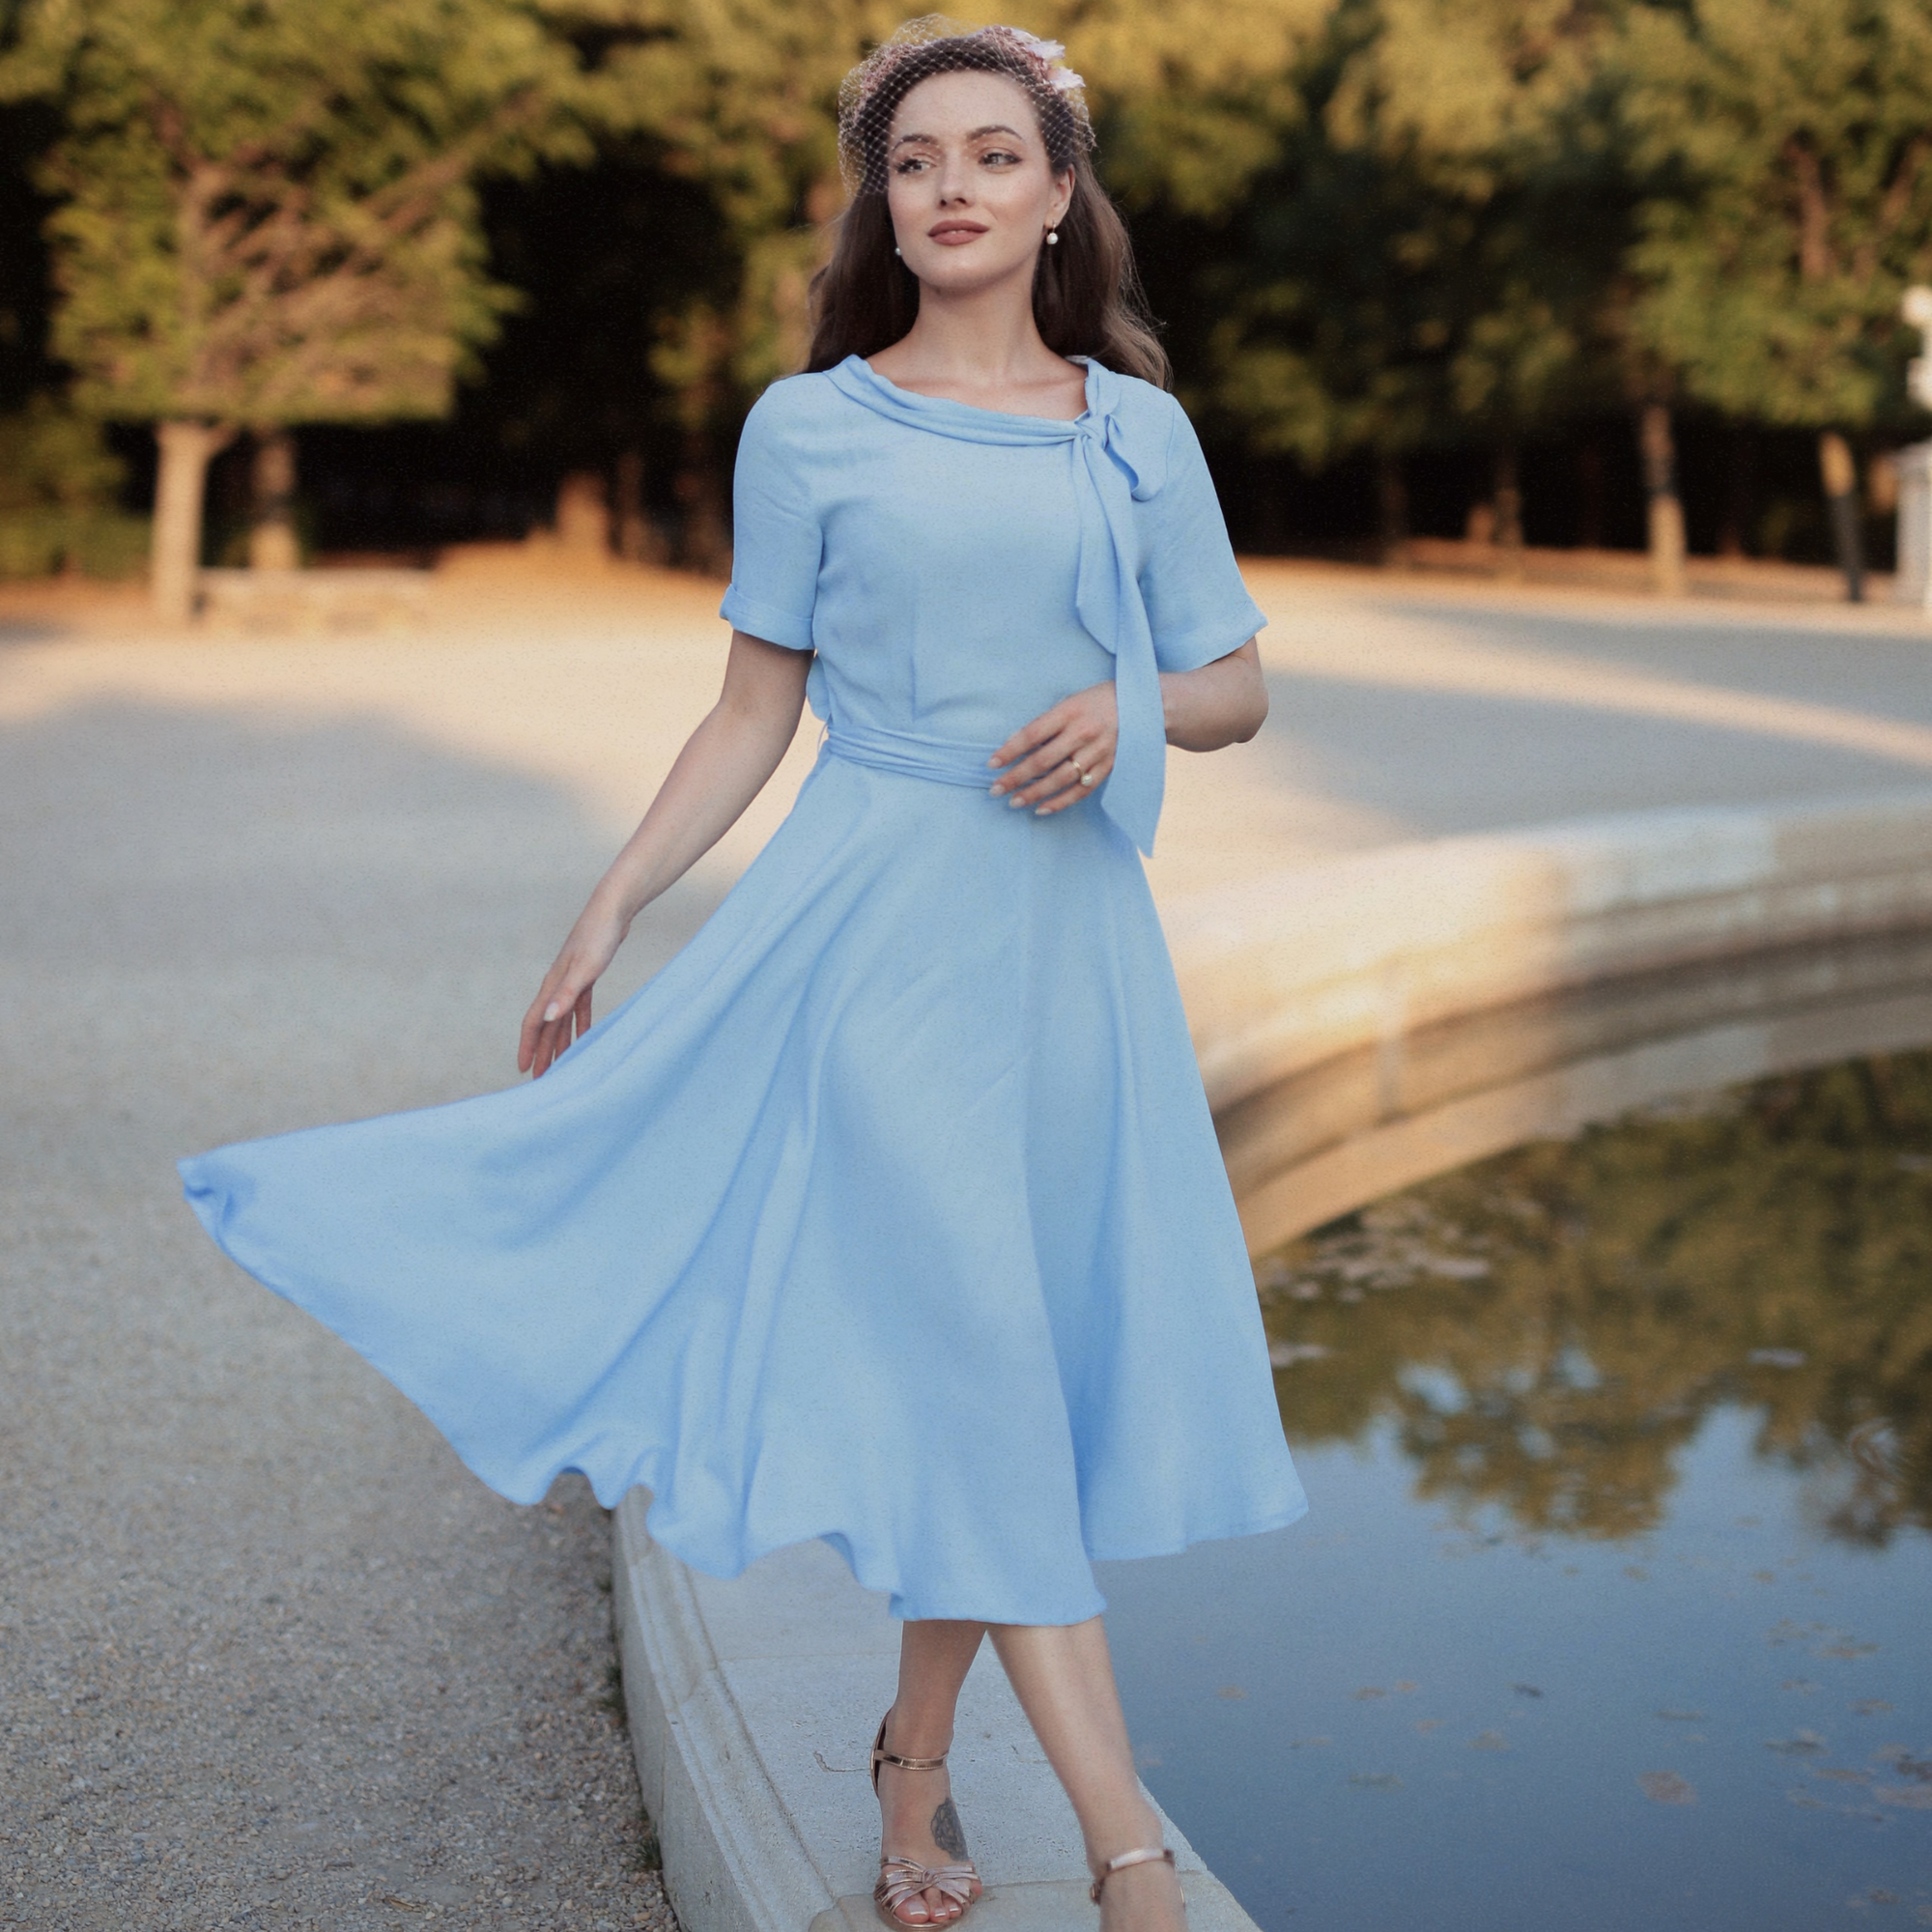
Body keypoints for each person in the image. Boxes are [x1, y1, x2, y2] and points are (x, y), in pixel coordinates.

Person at [179, 17, 1305, 1931]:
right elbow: (750, 708)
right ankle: (1130, 1863)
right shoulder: (811, 426)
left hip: (1064, 960)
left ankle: (913, 1765)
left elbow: (1237, 687)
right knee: (974, 1346)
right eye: (913, 159)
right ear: (883, 199)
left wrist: (1123, 716)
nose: (949, 185)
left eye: (991, 156)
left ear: (1055, 200)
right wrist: (608, 904)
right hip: (867, 938)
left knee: (996, 1370)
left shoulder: (1136, 432)